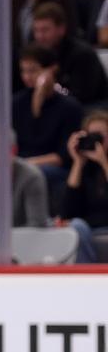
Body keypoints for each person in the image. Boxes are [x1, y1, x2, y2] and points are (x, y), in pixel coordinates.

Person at [13, 44, 83, 204]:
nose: (27, 76)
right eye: (24, 70)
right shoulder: (16, 103)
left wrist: (26, 164)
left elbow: (62, 157)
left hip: (51, 167)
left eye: (33, 70)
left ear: (51, 69)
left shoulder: (70, 107)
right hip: (19, 164)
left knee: (33, 174)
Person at [31, 2, 108, 104]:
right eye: (36, 30)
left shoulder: (82, 55)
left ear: (61, 29)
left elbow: (81, 97)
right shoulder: (34, 55)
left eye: (45, 30)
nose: (40, 36)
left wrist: (51, 86)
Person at [60, 110, 108, 261]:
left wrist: (104, 163)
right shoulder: (84, 167)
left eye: (100, 136)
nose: (95, 141)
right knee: (76, 226)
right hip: (87, 228)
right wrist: (78, 163)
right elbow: (68, 212)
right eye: (91, 135)